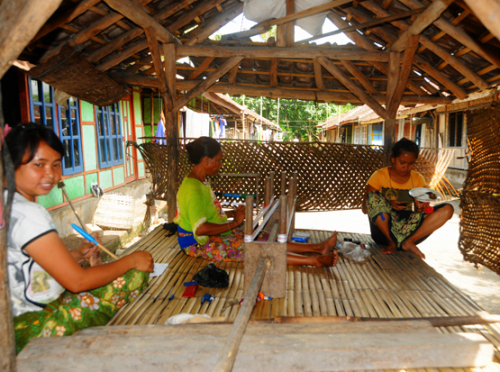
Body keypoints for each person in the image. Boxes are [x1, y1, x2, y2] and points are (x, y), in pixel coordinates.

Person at [5, 123, 154, 353]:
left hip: (12, 320)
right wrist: (130, 261)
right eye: (39, 165)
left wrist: (76, 254)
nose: (51, 174)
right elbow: (77, 282)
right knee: (134, 275)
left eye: (55, 164)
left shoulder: (10, 204)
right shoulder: (28, 213)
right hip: (34, 324)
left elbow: (29, 263)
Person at [174, 136, 338, 267]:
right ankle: (314, 261)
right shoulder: (193, 190)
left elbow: (206, 214)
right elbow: (201, 229)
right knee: (255, 248)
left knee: (262, 237)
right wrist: (234, 223)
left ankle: (318, 248)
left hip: (211, 236)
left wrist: (232, 214)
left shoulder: (201, 182)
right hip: (197, 244)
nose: (220, 164)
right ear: (207, 161)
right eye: (218, 160)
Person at [362, 138, 454, 259]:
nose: (406, 167)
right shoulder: (379, 176)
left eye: (411, 163)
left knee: (448, 209)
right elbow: (365, 208)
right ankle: (391, 241)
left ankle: (409, 242)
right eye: (402, 162)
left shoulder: (418, 179)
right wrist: (388, 204)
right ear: (393, 159)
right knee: (373, 198)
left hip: (408, 230)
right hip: (384, 228)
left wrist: (421, 207)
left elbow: (421, 212)